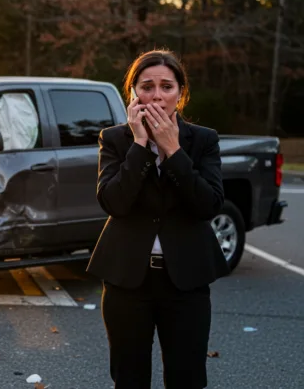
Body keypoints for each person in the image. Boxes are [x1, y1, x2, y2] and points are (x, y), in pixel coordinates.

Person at [87, 49, 228, 389]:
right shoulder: (115, 139)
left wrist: (173, 150)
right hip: (127, 280)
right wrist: (140, 145)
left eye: (167, 86)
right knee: (129, 378)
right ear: (133, 92)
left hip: (186, 281)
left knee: (187, 378)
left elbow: (208, 205)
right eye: (147, 86)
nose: (156, 96)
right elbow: (113, 203)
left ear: (181, 92)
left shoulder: (203, 140)